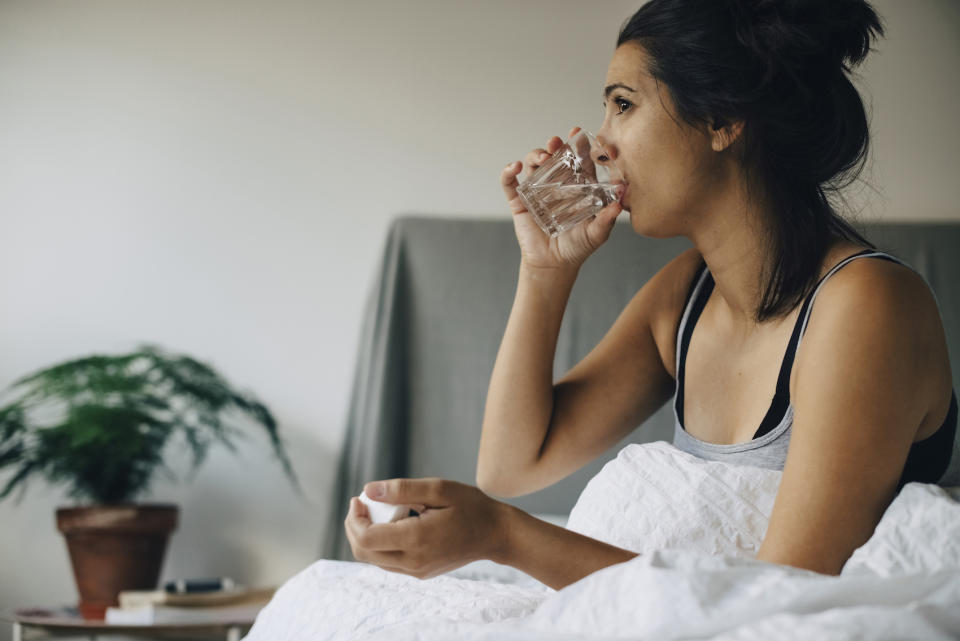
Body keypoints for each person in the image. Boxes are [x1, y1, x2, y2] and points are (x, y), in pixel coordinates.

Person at [343, 0, 958, 591]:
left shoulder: (868, 305)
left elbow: (783, 596)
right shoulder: (686, 296)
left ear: (722, 120)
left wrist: (504, 536)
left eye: (623, 104)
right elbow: (511, 465)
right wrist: (545, 270)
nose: (601, 142)